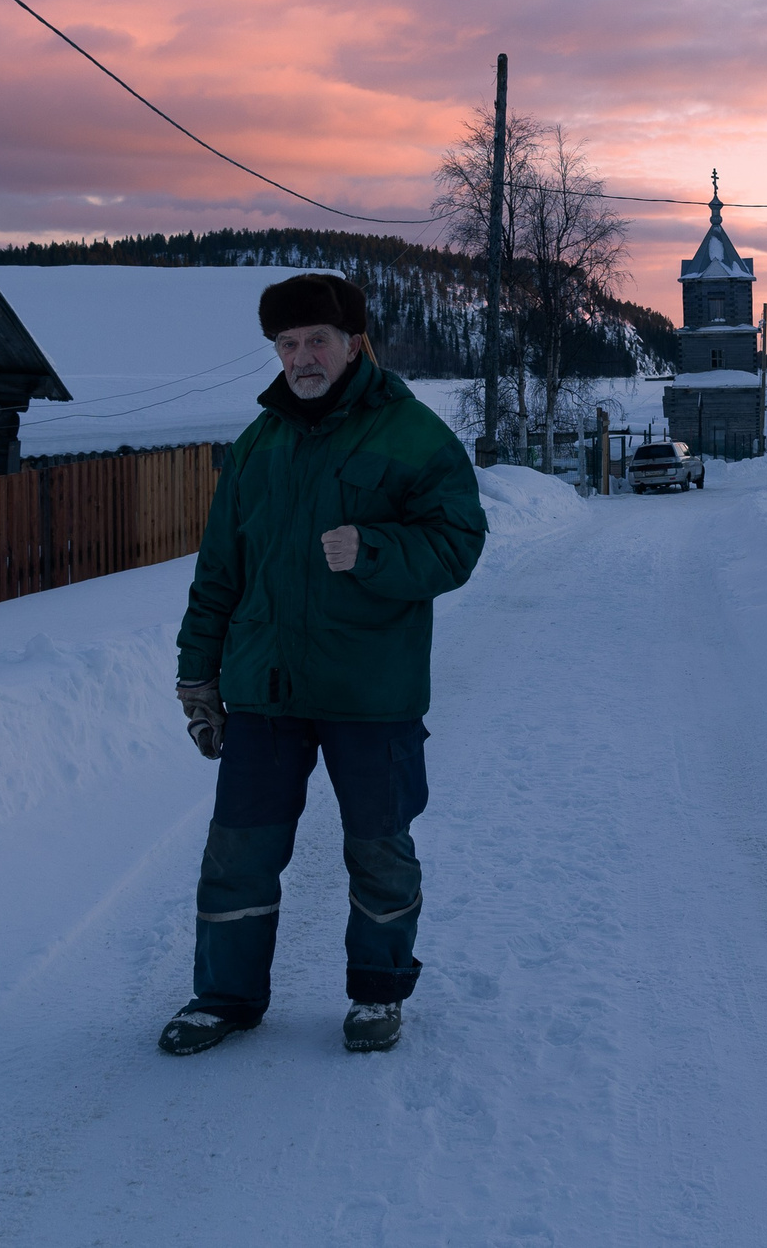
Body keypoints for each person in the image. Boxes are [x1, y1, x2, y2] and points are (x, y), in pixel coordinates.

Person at [158, 273, 488, 1057]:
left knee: (377, 846)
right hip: (265, 688)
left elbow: (459, 542)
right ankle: (224, 996)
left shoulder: (411, 435)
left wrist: (375, 549)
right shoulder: (257, 446)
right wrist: (198, 672)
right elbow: (219, 573)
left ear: (353, 344)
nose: (302, 356)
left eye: (317, 340)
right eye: (287, 343)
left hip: (371, 693)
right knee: (238, 849)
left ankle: (378, 993)